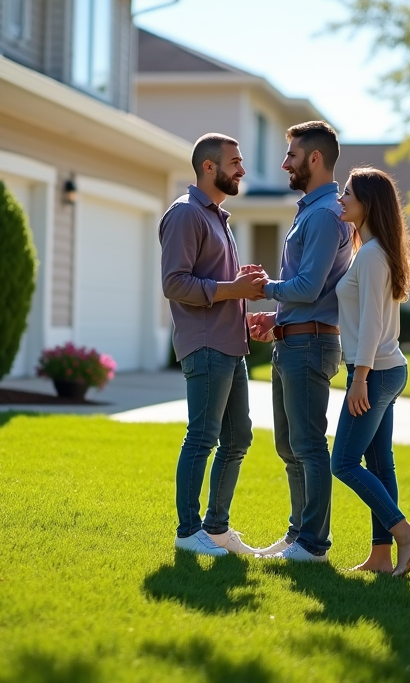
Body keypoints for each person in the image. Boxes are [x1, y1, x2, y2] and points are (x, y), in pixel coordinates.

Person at [248, 121, 353, 563]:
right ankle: (297, 536)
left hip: (309, 346)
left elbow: (308, 287)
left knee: (308, 446)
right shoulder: (313, 210)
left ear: (314, 159)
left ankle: (313, 544)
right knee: (290, 447)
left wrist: (263, 288)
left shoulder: (327, 215)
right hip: (294, 339)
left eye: (291, 155)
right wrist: (276, 318)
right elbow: (315, 290)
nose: (283, 163)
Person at [159, 133, 268, 557]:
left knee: (238, 437)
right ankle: (188, 533)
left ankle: (216, 530)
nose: (242, 169)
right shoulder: (186, 215)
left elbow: (218, 284)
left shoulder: (217, 216)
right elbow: (174, 283)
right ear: (209, 167)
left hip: (231, 343)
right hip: (204, 345)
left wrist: (241, 293)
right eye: (235, 161)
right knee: (201, 438)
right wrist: (232, 287)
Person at [330, 167, 410, 576]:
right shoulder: (374, 251)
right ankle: (380, 555)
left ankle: (406, 534)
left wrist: (358, 378)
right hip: (387, 370)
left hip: (373, 373)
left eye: (348, 193)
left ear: (367, 203)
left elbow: (371, 322)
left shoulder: (372, 256)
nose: (341, 199)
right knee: (379, 464)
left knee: (343, 462)